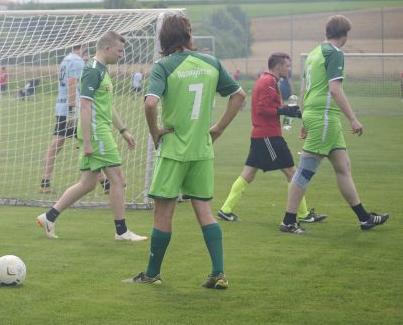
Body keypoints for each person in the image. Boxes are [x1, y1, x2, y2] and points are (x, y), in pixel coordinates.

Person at [124, 14, 245, 288]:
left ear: (164, 38)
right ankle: (219, 273)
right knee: (205, 211)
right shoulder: (211, 63)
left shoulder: (164, 66)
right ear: (188, 34)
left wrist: (155, 132)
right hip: (201, 150)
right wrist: (218, 128)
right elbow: (239, 96)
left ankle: (152, 274)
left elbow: (150, 103)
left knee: (163, 214)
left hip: (173, 151)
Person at [278, 15, 388, 234]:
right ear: (345, 34)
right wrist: (353, 119)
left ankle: (364, 218)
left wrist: (304, 118)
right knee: (305, 171)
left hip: (321, 116)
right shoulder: (335, 53)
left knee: (343, 167)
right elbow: (335, 89)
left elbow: (304, 89)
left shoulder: (314, 53)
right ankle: (288, 221)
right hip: (324, 117)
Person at [36, 33, 147, 242]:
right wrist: (87, 142)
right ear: (106, 48)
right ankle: (122, 231)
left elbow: (107, 105)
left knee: (88, 183)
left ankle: (49, 217)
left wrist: (123, 131)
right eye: (119, 51)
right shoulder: (93, 70)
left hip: (99, 131)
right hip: (97, 133)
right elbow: (85, 106)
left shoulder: (102, 70)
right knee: (117, 179)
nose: (122, 55)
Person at [216, 52, 327, 224]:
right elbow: (262, 109)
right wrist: (283, 110)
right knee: (293, 173)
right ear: (278, 66)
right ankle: (303, 214)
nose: (289, 69)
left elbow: (268, 106)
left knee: (249, 174)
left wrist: (288, 111)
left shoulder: (268, 81)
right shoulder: (268, 82)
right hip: (268, 136)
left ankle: (225, 209)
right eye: (287, 66)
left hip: (261, 135)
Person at [38, 44, 85, 194]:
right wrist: (72, 110)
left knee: (58, 143)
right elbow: (72, 83)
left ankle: (45, 182)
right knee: (86, 142)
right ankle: (105, 183)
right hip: (72, 108)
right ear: (84, 45)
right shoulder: (77, 61)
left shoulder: (66, 59)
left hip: (61, 106)